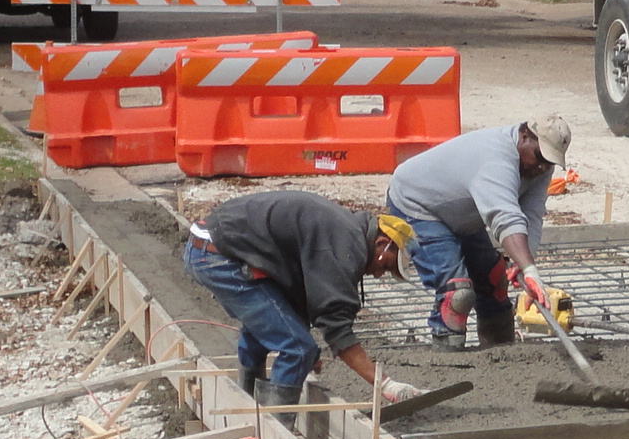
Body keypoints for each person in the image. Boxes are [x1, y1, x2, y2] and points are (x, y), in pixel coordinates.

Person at [182, 190, 420, 407]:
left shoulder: (344, 231)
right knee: (297, 349)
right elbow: (336, 327)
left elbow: (300, 290)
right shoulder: (346, 246)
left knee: (264, 333)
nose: (379, 274)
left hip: (212, 244)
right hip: (219, 256)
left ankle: (249, 408)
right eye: (386, 266)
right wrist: (385, 385)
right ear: (381, 243)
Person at [382, 116, 571, 347]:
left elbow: (531, 215)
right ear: (524, 137)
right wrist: (529, 268)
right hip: (418, 206)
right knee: (457, 293)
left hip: (460, 214)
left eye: (550, 162)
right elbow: (503, 216)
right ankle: (448, 363)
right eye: (540, 157)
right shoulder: (496, 157)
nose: (543, 166)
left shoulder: (538, 169)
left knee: (494, 280)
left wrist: (523, 266)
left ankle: (502, 358)